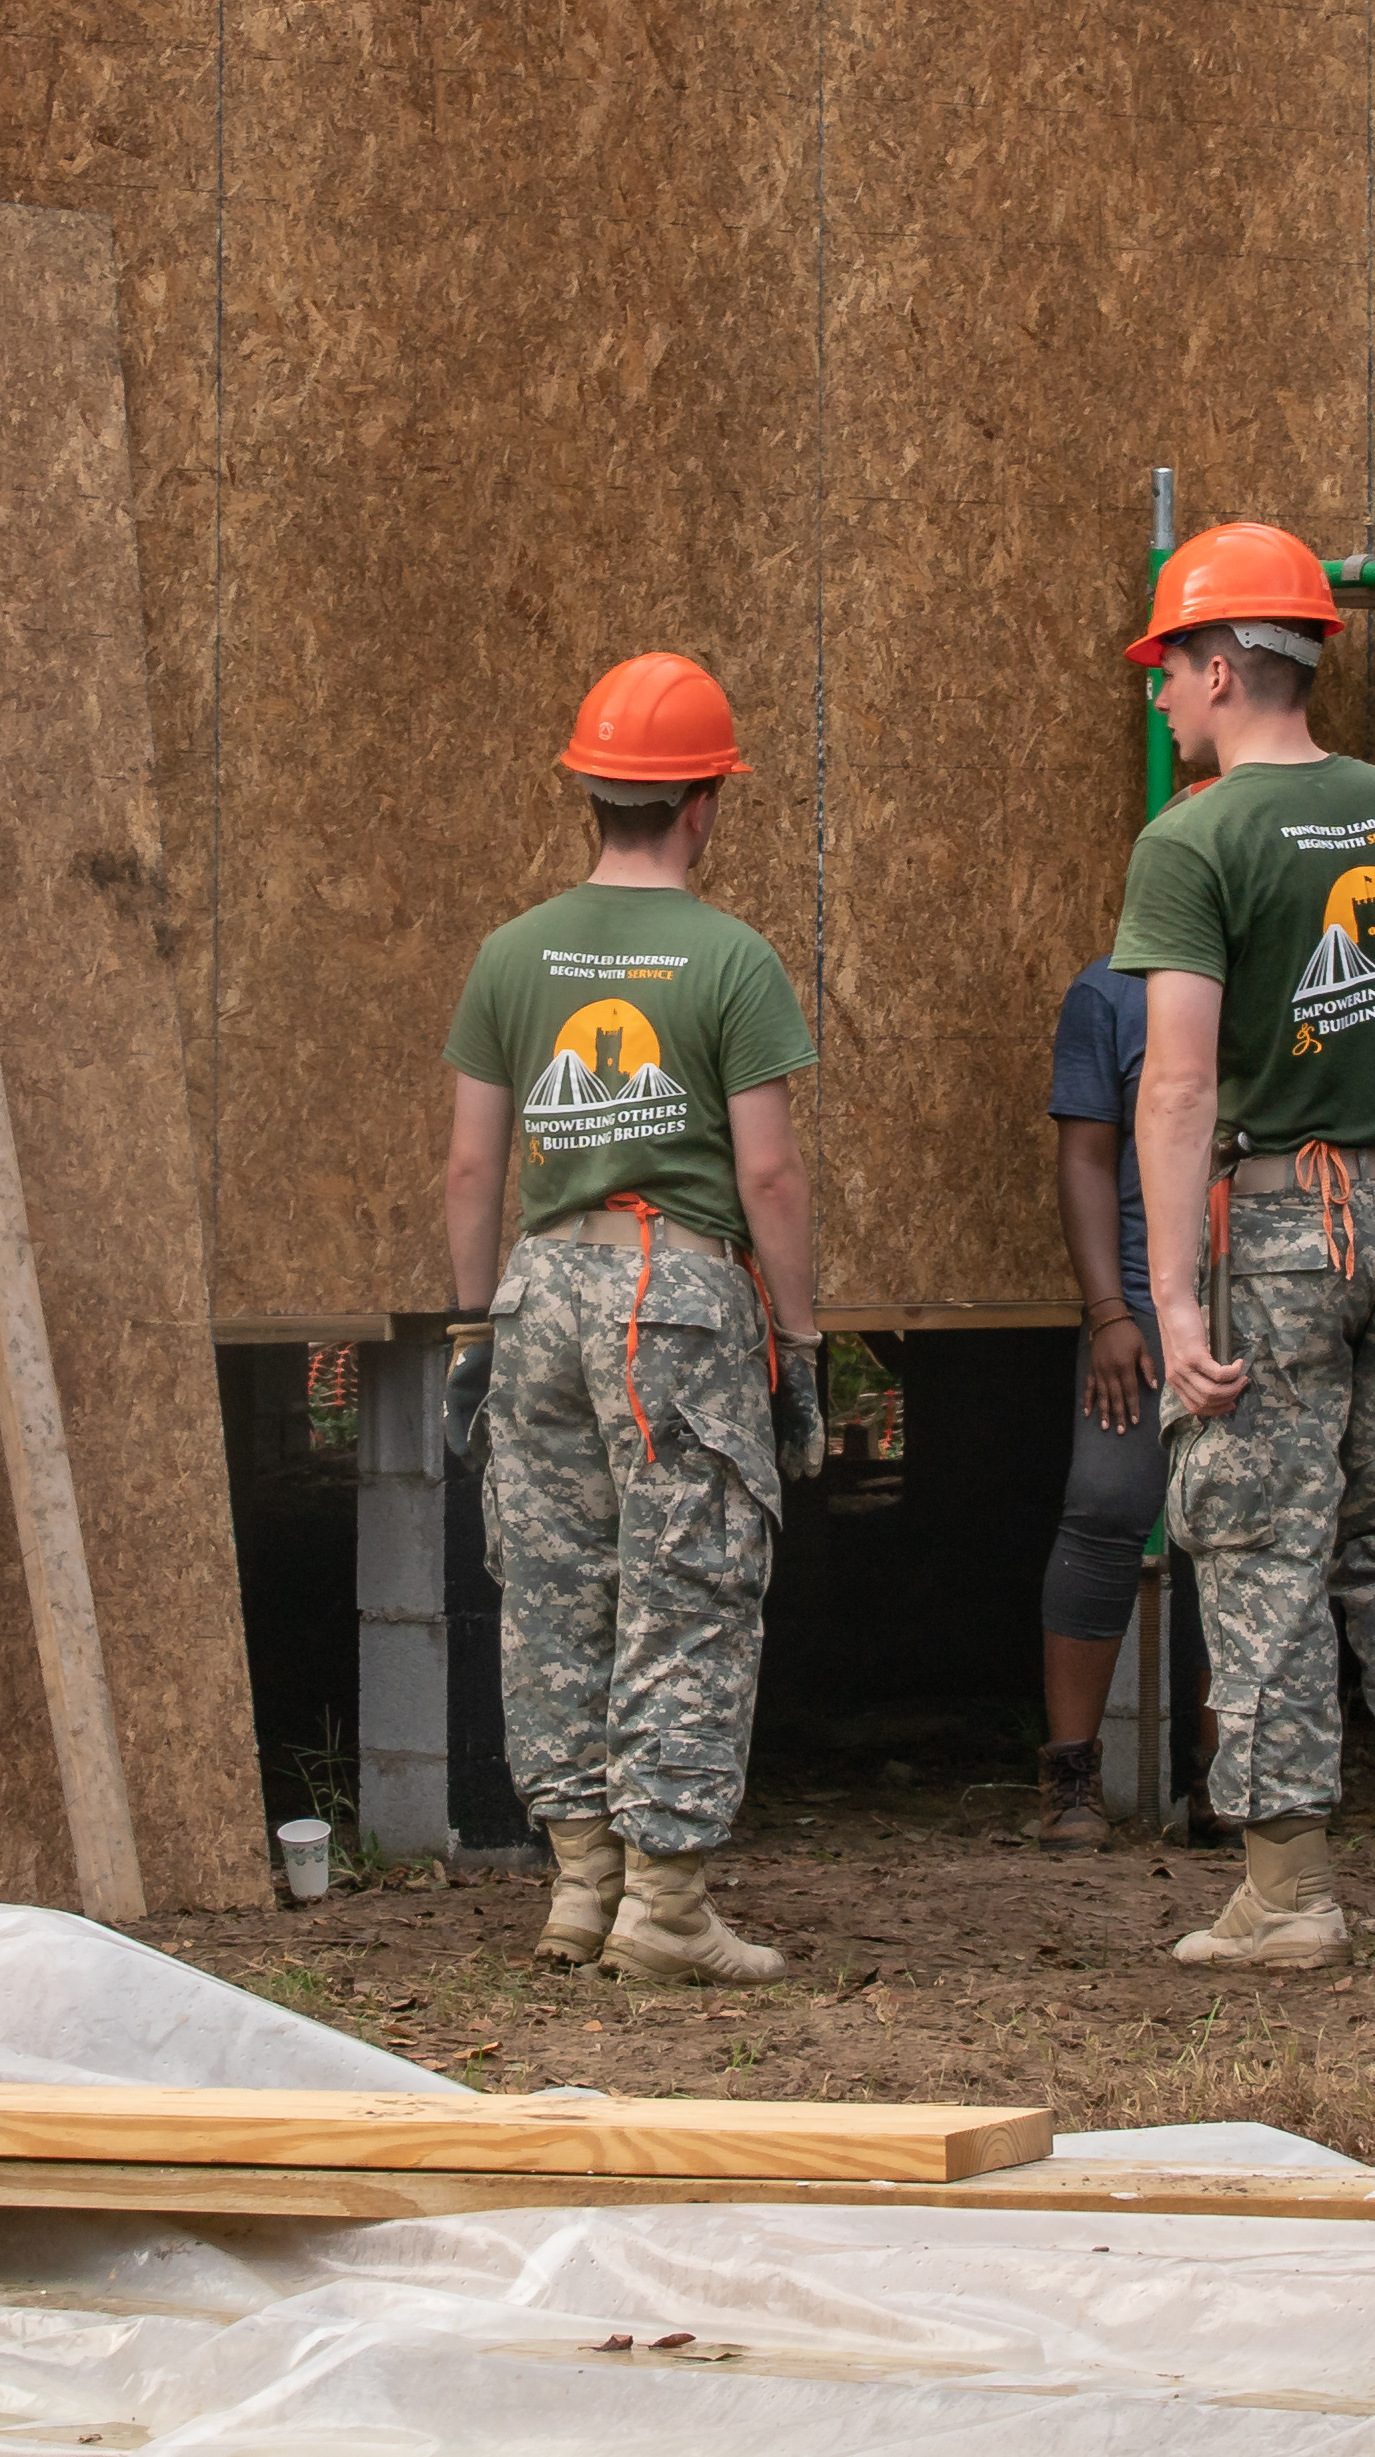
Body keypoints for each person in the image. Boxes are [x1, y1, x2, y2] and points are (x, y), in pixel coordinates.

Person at [1112, 520, 1375, 1975]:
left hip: (1276, 1222)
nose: (1159, 699)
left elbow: (1171, 1082)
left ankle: (1289, 1890)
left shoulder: (1195, 839)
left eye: (1168, 670)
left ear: (1223, 667)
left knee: (1260, 1543)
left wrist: (1167, 1297)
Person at [441, 650, 822, 1984]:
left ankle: (579, 1891)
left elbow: (472, 1170)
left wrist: (467, 1331)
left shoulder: (510, 955)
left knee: (555, 1588)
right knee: (689, 1588)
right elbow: (767, 1174)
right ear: (704, 802)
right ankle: (663, 1913)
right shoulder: (734, 961)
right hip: (676, 1294)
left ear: (590, 796)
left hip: (539, 1289)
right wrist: (806, 1340)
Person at [1029, 955, 1203, 1846]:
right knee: (1104, 1507)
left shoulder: (1288, 973)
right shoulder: (1111, 991)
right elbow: (1086, 1157)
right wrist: (1108, 1315)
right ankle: (1070, 1782)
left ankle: (1227, 1779)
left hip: (1264, 1304)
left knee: (1253, 1530)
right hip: (1136, 1308)